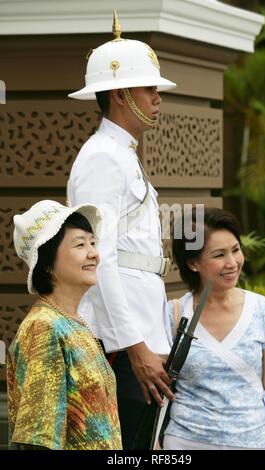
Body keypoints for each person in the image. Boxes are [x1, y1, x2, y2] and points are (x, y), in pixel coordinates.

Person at [67, 12, 176, 448]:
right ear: (119, 95)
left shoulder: (121, 154)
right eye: (149, 88)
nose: (157, 98)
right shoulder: (101, 158)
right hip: (125, 342)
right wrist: (135, 345)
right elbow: (100, 258)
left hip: (142, 330)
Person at [163, 207, 265, 450]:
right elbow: (156, 387)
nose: (232, 262)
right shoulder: (174, 315)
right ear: (193, 263)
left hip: (254, 441)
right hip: (186, 442)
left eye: (235, 250)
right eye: (219, 255)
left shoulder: (262, 310)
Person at [7, 200, 122, 450]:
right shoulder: (43, 328)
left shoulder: (74, 322)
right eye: (80, 244)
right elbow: (38, 440)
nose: (94, 253)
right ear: (47, 264)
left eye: (92, 242)